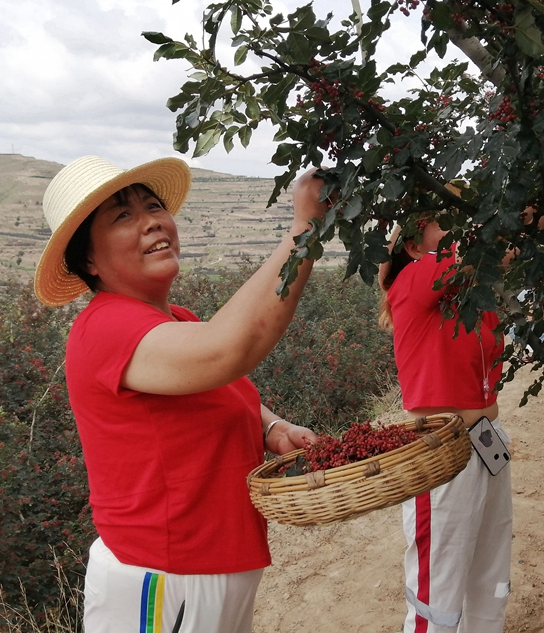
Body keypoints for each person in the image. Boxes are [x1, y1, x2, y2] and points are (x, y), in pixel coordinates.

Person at [33, 155, 329, 633]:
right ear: (88, 260)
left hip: (207, 567)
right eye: (123, 215)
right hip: (162, 577)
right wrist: (305, 229)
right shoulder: (106, 328)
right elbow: (227, 351)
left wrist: (272, 427)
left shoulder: (177, 320)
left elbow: (220, 389)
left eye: (153, 206)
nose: (151, 221)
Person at [378, 202, 544, 633]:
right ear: (413, 245)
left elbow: (520, 234)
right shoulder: (411, 280)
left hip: (487, 438)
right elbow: (485, 243)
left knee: (489, 567)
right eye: (445, 224)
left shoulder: (472, 298)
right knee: (439, 580)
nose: (458, 228)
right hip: (440, 448)